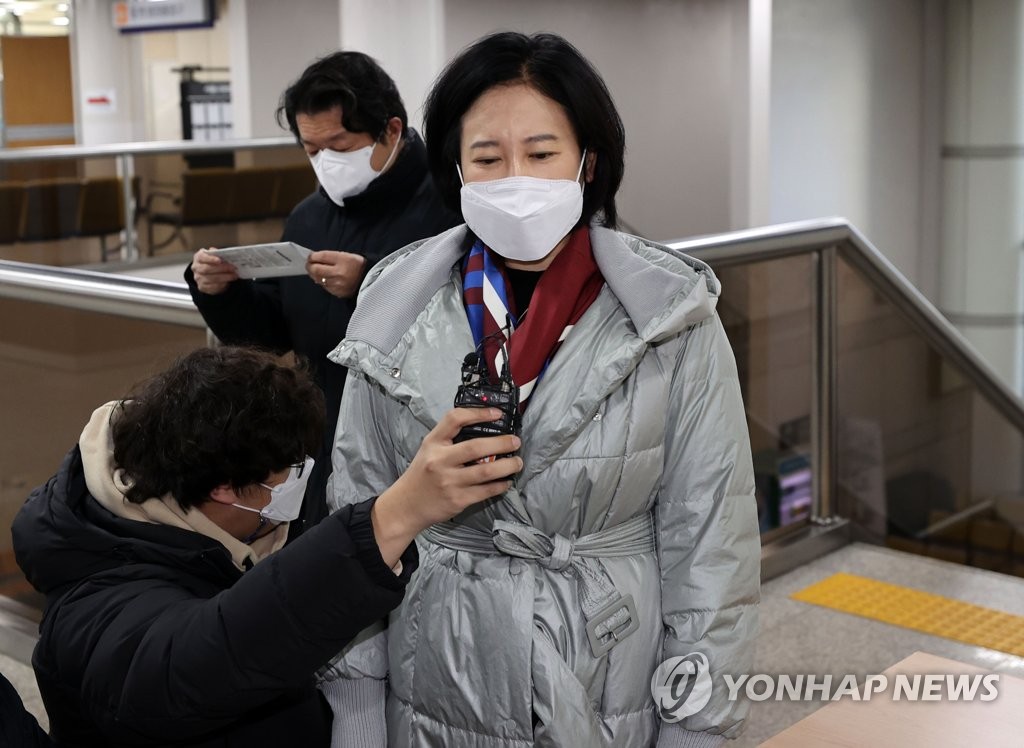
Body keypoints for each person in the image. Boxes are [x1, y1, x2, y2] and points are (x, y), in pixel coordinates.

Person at [321, 32, 761, 747]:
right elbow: (357, 518)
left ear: (588, 161)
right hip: (438, 666)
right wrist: (359, 712)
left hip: (609, 667)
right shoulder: (393, 305)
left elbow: (712, 545)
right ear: (455, 169)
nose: (514, 178)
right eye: (488, 159)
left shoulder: (670, 315)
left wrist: (699, 729)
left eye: (542, 153)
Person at [11, 347, 521, 748]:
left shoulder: (234, 527)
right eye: (289, 476)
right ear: (226, 490)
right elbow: (204, 656)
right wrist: (394, 517)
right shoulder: (94, 600)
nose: (301, 483)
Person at [185, 51, 460, 540]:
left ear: (390, 131)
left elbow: (464, 325)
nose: (326, 163)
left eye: (339, 144)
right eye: (312, 150)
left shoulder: (448, 206)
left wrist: (369, 284)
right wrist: (219, 292)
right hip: (324, 439)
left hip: (415, 443)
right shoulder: (309, 217)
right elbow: (270, 336)